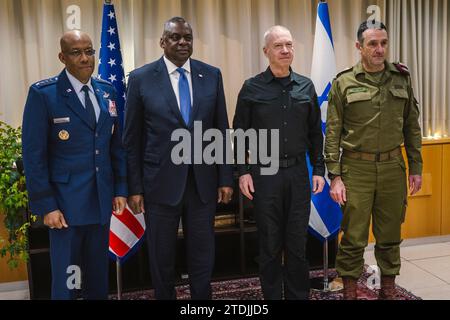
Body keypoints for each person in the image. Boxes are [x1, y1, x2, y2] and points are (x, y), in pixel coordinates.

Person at [123, 17, 234, 300]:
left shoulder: (211, 75)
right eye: (175, 37)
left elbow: (220, 130)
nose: (183, 42)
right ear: (162, 42)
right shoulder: (140, 79)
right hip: (159, 184)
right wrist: (134, 187)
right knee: (162, 256)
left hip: (202, 183)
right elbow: (131, 139)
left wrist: (225, 178)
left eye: (188, 37)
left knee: (202, 252)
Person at [22, 30, 127, 299]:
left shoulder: (106, 91)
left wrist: (120, 189)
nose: (85, 58)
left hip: (101, 200)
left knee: (96, 276)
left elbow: (116, 146)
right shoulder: (44, 94)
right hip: (65, 206)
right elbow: (34, 156)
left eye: (89, 51)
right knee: (69, 277)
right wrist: (46, 205)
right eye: (76, 52)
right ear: (62, 57)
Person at [325, 21, 423, 300]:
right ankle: (350, 291)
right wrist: (335, 174)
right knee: (354, 236)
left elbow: (411, 127)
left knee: (390, 234)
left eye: (383, 43)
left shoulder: (401, 78)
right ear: (359, 47)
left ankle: (388, 289)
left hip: (393, 166)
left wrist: (416, 167)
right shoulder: (344, 82)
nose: (379, 49)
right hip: (356, 169)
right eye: (372, 44)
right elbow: (332, 132)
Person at [233, 25, 325, 300]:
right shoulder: (251, 88)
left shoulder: (306, 86)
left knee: (297, 244)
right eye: (278, 46)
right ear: (266, 52)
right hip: (265, 174)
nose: (285, 50)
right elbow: (239, 134)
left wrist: (318, 169)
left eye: (289, 45)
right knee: (270, 244)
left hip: (298, 173)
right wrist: (243, 172)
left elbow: (313, 134)